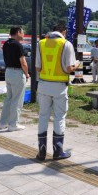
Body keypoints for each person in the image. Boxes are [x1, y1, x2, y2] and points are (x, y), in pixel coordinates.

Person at [36, 23, 80, 160]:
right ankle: (58, 151)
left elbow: (38, 67)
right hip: (59, 87)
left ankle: (42, 152)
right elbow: (68, 68)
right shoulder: (66, 44)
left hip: (43, 85)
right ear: (64, 32)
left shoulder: (41, 43)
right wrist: (77, 65)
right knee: (59, 117)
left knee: (43, 116)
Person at [0, 26, 29, 131]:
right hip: (17, 73)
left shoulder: (6, 44)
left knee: (9, 98)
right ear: (18, 32)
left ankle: (3, 123)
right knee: (17, 99)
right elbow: (23, 63)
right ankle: (13, 124)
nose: (23, 34)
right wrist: (27, 74)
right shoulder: (18, 45)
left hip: (8, 72)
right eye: (22, 32)